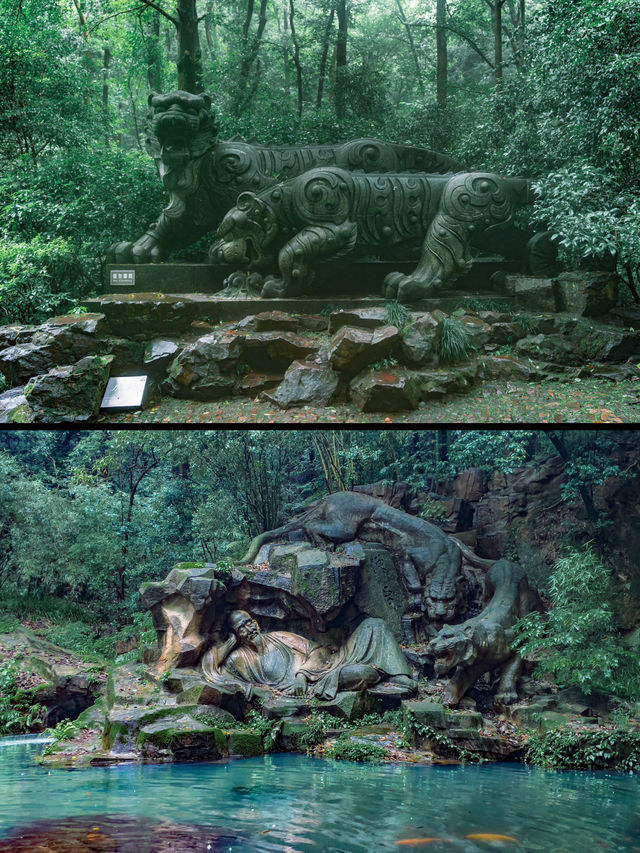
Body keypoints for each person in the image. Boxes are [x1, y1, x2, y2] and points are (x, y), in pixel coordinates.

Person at [201, 610, 416, 700]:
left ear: (256, 621)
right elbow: (211, 668)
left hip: (327, 667)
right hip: (323, 683)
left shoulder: (279, 636)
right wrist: (229, 643)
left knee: (374, 625)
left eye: (250, 622)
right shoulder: (239, 659)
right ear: (237, 635)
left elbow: (317, 650)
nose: (250, 629)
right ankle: (378, 674)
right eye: (242, 628)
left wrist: (302, 675)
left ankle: (401, 678)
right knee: (364, 674)